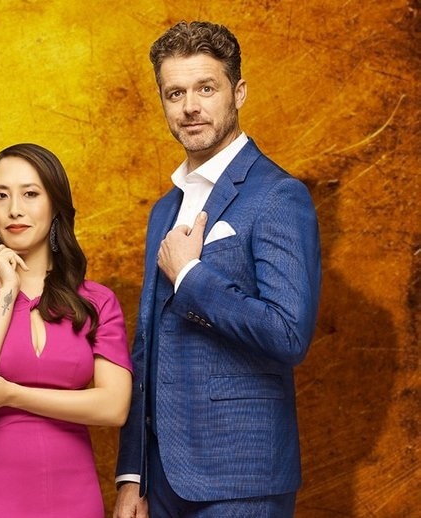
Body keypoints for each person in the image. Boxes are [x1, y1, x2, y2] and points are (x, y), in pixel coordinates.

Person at [113, 21, 322, 517]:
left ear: (239, 92)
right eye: (175, 92)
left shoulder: (278, 195)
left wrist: (191, 279)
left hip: (241, 479)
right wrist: (133, 474)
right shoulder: (164, 210)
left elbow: (289, 333)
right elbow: (147, 348)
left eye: (206, 88)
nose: (190, 106)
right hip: (160, 481)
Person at [0, 143, 133, 517]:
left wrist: (12, 395)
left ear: (55, 205)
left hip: (76, 493)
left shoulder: (97, 300)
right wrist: (7, 290)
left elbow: (114, 406)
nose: (14, 209)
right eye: (0, 196)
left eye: (30, 194)